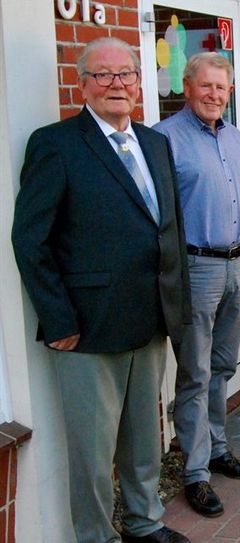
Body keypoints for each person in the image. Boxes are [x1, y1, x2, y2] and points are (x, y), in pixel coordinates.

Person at [11, 37, 191, 543]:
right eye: (104, 75)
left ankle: (143, 522)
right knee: (93, 451)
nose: (117, 84)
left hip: (149, 318)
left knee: (142, 439)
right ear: (82, 83)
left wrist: (176, 308)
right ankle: (96, 536)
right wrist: (59, 319)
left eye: (127, 74)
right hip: (87, 328)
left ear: (139, 82)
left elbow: (168, 230)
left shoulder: (155, 143)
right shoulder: (57, 144)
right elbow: (30, 240)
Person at [153, 52, 240, 518]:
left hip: (239, 265)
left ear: (230, 92)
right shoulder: (165, 140)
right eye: (206, 86)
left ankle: (218, 448)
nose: (214, 95)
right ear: (187, 86)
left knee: (222, 365)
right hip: (196, 269)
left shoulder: (238, 139)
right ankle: (196, 472)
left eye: (222, 88)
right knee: (195, 373)